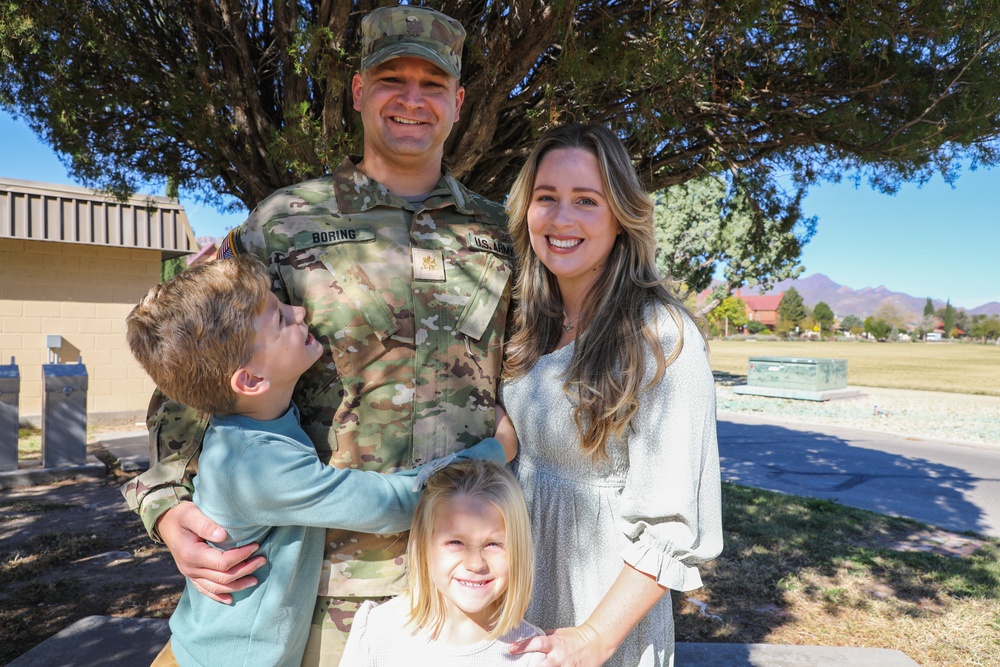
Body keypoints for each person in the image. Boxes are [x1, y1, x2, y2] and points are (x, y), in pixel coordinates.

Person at [120, 5, 514, 665]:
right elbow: (195, 372)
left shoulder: (501, 233)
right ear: (359, 92)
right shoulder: (285, 223)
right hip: (317, 594)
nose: (412, 99)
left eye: (433, 83)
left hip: (466, 576)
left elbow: (538, 376)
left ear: (458, 100)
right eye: (392, 78)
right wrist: (163, 503)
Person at [125, 256, 511, 667]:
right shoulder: (258, 467)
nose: (300, 311)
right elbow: (390, 503)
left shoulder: (252, 426)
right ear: (251, 380)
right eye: (279, 319)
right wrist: (496, 450)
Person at [499, 124, 724, 667]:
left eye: (586, 201)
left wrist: (593, 639)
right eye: (546, 198)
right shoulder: (526, 322)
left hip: (601, 614)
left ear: (621, 216)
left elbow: (673, 528)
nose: (562, 218)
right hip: (517, 591)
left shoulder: (661, 336)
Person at [342, 460, 545, 665]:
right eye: (456, 542)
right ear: (423, 544)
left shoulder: (532, 655)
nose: (475, 564)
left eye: (493, 544)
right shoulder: (377, 631)